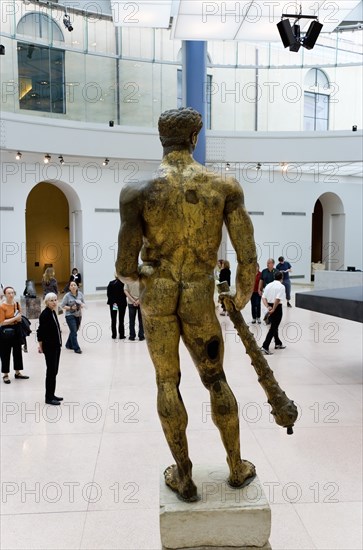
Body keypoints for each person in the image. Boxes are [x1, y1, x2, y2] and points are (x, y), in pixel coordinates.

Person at [116, 107, 257, 502]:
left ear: (162, 139)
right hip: (199, 295)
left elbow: (125, 267)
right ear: (195, 138)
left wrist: (144, 278)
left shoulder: (137, 190)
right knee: (216, 380)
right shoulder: (223, 186)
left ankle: (184, 474)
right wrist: (240, 298)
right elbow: (248, 257)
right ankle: (236, 467)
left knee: (166, 382)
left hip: (158, 295)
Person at [37, 293, 63, 405]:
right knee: (51, 372)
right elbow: (40, 332)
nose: (54, 302)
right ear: (46, 302)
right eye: (51, 300)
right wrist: (40, 345)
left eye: (55, 300)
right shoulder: (45, 314)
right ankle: (48, 397)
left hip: (57, 346)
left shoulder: (53, 312)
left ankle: (52, 394)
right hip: (50, 347)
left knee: (54, 371)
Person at [0, 286, 30, 383]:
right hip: (5, 331)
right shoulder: (2, 306)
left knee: (17, 352)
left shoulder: (17, 304)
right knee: (5, 353)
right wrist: (14, 319)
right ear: (5, 294)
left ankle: (17, 372)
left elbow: (20, 317)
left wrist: (17, 319)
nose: (11, 295)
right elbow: (2, 322)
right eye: (9, 293)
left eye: (12, 293)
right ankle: (5, 374)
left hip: (16, 330)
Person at [260, 271, 286, 355]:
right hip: (277, 308)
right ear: (281, 277)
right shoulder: (281, 286)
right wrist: (274, 309)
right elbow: (277, 299)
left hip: (269, 307)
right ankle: (265, 346)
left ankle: (278, 343)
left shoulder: (268, 285)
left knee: (274, 326)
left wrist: (268, 307)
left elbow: (263, 298)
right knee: (273, 328)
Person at [61, 281, 85, 354]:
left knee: (74, 331)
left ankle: (68, 344)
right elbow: (62, 305)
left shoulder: (80, 294)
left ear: (77, 287)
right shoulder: (67, 296)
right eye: (71, 285)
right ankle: (76, 348)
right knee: (74, 331)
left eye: (75, 285)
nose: (73, 286)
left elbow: (83, 303)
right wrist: (71, 307)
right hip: (70, 315)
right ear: (69, 287)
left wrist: (82, 305)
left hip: (78, 315)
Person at [106, 275, 127, 340]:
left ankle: (114, 335)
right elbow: (126, 293)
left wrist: (113, 301)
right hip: (122, 304)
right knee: (121, 319)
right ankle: (121, 335)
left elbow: (108, 294)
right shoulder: (124, 284)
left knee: (114, 319)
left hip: (114, 304)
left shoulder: (111, 283)